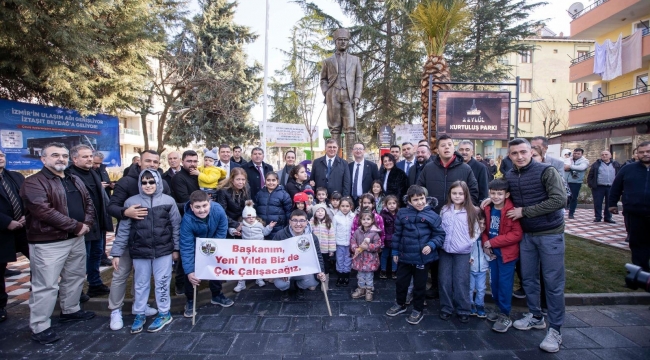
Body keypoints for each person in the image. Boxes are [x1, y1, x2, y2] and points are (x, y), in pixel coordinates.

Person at [483, 138, 567, 353]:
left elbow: (560, 200)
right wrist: (489, 200)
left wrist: (525, 211)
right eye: (514, 153)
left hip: (549, 233)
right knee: (529, 278)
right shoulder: (510, 176)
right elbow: (502, 195)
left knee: (552, 281)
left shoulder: (546, 171)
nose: (519, 156)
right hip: (526, 235)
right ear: (509, 156)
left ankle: (555, 329)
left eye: (523, 152)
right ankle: (536, 316)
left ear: (531, 152)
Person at [19, 142, 95, 344]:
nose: (61, 159)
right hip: (48, 242)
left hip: (76, 239)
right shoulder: (33, 182)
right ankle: (40, 326)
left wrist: (86, 224)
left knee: (75, 276)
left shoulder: (74, 179)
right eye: (55, 155)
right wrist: (75, 226)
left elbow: (88, 202)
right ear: (43, 159)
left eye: (63, 155)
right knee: (46, 285)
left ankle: (70, 310)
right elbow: (42, 211)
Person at [106, 150, 171, 330]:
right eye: (148, 161)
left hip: (154, 241)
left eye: (155, 162)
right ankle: (115, 309)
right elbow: (111, 207)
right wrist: (125, 213)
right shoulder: (126, 182)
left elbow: (169, 208)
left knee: (141, 277)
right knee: (121, 274)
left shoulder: (163, 183)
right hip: (130, 238)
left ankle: (140, 308)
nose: (152, 164)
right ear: (139, 162)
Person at [417, 134, 478, 299]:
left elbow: (473, 191)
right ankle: (437, 286)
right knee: (435, 254)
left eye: (450, 144)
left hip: (457, 219)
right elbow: (419, 189)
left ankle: (456, 292)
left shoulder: (465, 169)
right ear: (437, 149)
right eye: (443, 145)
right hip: (433, 218)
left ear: (454, 147)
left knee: (455, 256)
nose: (446, 147)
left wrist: (466, 210)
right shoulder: (429, 168)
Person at [386, 185, 445, 325]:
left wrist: (431, 245)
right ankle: (400, 304)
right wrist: (395, 251)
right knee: (401, 282)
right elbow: (397, 234)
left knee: (420, 285)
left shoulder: (433, 215)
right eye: (415, 199)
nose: (419, 202)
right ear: (409, 201)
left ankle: (418, 309)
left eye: (422, 198)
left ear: (426, 198)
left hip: (422, 258)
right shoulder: (402, 213)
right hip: (405, 256)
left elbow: (440, 235)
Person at [66, 145, 113, 298]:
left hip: (97, 223)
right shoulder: (68, 175)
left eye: (90, 156)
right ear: (74, 159)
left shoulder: (93, 173)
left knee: (96, 255)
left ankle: (95, 284)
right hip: (81, 225)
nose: (89, 159)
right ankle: (76, 292)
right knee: (80, 260)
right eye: (85, 156)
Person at [180, 191, 234, 318]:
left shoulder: (218, 210)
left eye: (204, 206)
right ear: (192, 207)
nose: (202, 210)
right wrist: (189, 271)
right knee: (190, 272)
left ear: (209, 203)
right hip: (194, 246)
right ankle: (190, 300)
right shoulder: (187, 220)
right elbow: (186, 246)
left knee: (215, 266)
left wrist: (213, 248)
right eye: (197, 207)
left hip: (213, 242)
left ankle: (217, 294)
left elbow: (222, 229)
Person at [482, 178, 523, 333]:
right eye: (493, 193)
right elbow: (484, 229)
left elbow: (516, 234)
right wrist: (486, 243)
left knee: (505, 284)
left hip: (507, 254)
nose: (496, 196)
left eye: (500, 193)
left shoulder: (511, 210)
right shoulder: (488, 208)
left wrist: (493, 243)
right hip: (492, 254)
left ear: (507, 195)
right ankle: (498, 307)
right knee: (494, 283)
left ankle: (505, 314)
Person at [438, 181, 479, 323]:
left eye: (460, 193)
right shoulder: (445, 209)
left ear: (466, 194)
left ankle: (463, 308)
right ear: (450, 194)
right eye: (454, 193)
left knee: (461, 280)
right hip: (445, 250)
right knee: (444, 280)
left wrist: (469, 246)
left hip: (463, 251)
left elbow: (476, 232)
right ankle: (446, 307)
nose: (457, 196)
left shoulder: (472, 211)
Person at [609, 141, 650, 272]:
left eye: (648, 151)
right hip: (634, 213)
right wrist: (612, 204)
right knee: (637, 243)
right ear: (637, 154)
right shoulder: (628, 169)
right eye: (642, 152)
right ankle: (640, 272)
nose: (645, 154)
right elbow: (616, 187)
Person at [272, 210, 327, 301]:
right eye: (295, 220)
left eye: (302, 220)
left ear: (306, 222)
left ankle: (299, 287)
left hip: (303, 268)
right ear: (290, 221)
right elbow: (273, 254)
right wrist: (280, 271)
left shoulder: (312, 237)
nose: (298, 224)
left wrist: (320, 271)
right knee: (281, 284)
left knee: (312, 282)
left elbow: (318, 256)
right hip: (286, 269)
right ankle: (285, 290)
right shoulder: (280, 235)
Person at [0, 147, 28, 323]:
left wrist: (26, 214)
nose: (0, 158)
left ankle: (42, 292)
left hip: (24, 228)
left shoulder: (16, 176)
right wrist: (6, 222)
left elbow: (27, 197)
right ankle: (1, 305)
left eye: (1, 155)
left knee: (40, 259)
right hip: (2, 231)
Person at [234, 200, 275, 292]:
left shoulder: (259, 225)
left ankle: (259, 278)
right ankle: (241, 283)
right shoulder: (241, 225)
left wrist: (269, 227)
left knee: (258, 264)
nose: (251, 219)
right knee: (243, 265)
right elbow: (232, 229)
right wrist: (234, 231)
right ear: (244, 218)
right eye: (249, 217)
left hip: (258, 249)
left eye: (253, 217)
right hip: (246, 250)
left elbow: (265, 232)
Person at [350, 211, 381, 301]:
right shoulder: (357, 231)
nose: (366, 221)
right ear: (360, 220)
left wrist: (368, 247)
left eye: (368, 219)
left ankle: (369, 290)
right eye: (364, 219)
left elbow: (378, 245)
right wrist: (355, 248)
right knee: (360, 275)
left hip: (370, 259)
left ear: (372, 220)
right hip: (360, 258)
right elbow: (353, 241)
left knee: (369, 276)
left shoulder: (374, 233)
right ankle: (361, 289)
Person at [254, 172, 293, 239]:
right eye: (268, 180)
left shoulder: (284, 194)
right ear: (265, 181)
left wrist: (287, 228)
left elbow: (288, 213)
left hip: (278, 228)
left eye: (273, 180)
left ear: (277, 181)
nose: (271, 182)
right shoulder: (260, 194)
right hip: (262, 228)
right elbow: (255, 209)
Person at [216, 168, 250, 238]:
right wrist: (235, 224)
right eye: (238, 179)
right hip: (227, 222)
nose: (241, 182)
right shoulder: (223, 191)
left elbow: (248, 207)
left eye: (243, 179)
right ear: (232, 180)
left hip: (242, 222)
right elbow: (222, 213)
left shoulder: (247, 188)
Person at [587, 150, 620, 223]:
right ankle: (598, 217)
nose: (604, 156)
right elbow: (590, 175)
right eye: (602, 155)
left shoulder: (615, 164)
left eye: (606, 154)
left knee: (610, 203)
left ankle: (608, 218)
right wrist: (590, 184)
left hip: (611, 187)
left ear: (610, 156)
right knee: (598, 203)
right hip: (599, 187)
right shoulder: (596, 164)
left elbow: (619, 175)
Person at [469, 211, 490, 318]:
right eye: (479, 223)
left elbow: (485, 253)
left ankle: (480, 305)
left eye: (484, 224)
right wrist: (470, 258)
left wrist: (490, 257)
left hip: (482, 269)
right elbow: (468, 250)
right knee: (470, 288)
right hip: (471, 268)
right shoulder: (471, 237)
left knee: (481, 288)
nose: (482, 226)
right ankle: (470, 304)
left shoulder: (486, 238)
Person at [333, 197, 355, 287]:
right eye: (342, 206)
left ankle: (346, 275)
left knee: (348, 259)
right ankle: (340, 275)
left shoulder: (353, 216)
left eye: (347, 206)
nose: (345, 208)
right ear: (339, 207)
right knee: (340, 259)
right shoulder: (336, 217)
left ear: (351, 207)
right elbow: (333, 230)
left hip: (350, 243)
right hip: (339, 243)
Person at [310, 203, 335, 281]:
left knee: (325, 265)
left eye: (322, 211)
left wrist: (331, 250)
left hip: (325, 250)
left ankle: (325, 281)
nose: (320, 212)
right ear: (314, 213)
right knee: (314, 265)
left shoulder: (328, 223)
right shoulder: (311, 223)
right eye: (317, 211)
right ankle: (315, 280)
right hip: (314, 250)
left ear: (325, 212)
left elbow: (331, 237)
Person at [565, 148, 589, 219]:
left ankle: (571, 213)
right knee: (563, 196)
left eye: (578, 154)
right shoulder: (569, 159)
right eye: (575, 153)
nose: (576, 155)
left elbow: (582, 167)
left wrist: (570, 167)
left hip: (575, 182)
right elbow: (563, 166)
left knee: (573, 198)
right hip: (565, 181)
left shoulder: (584, 161)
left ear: (582, 154)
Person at [379, 195, 399, 280]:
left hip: (396, 240)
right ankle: (383, 270)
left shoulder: (399, 214)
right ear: (386, 204)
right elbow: (381, 227)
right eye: (389, 203)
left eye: (394, 203)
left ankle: (394, 271)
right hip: (386, 239)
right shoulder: (383, 214)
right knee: (384, 255)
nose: (392, 205)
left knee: (395, 255)